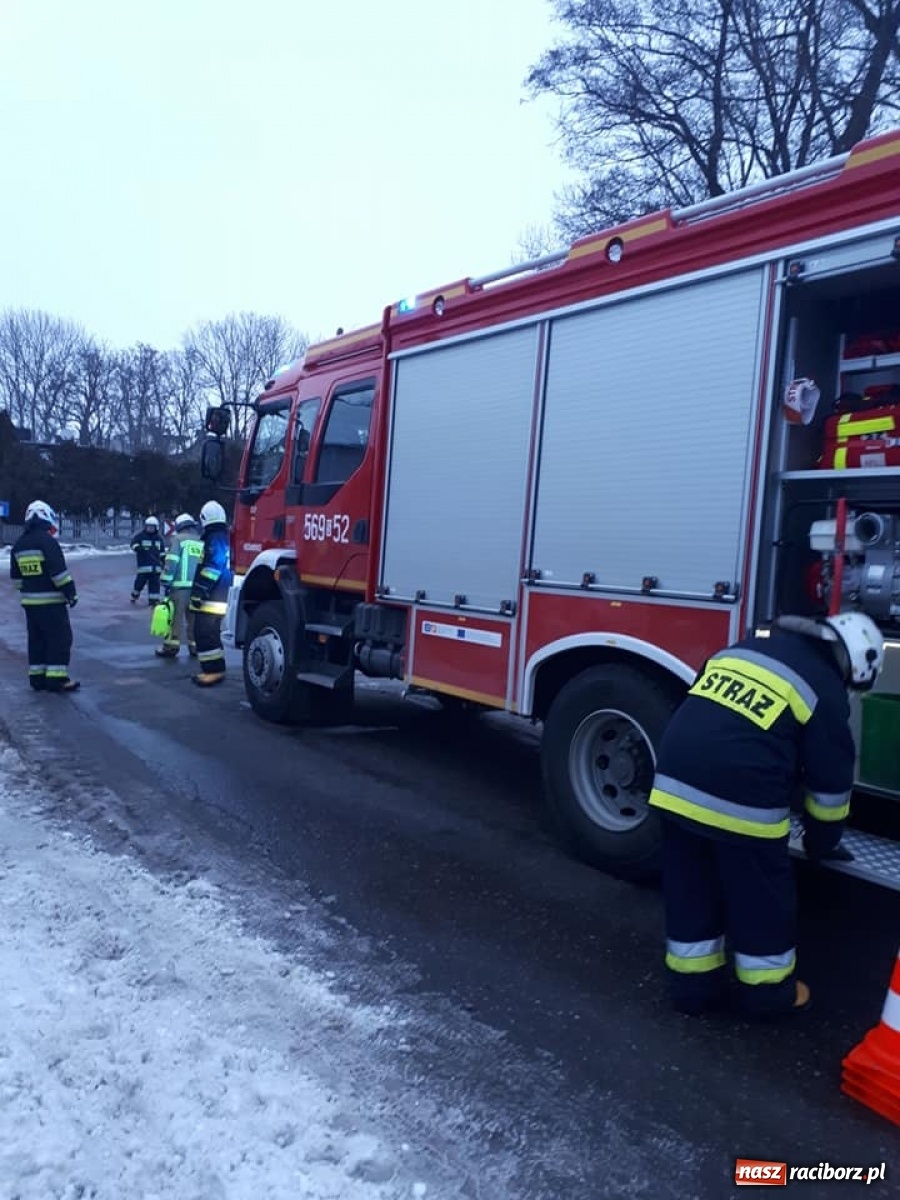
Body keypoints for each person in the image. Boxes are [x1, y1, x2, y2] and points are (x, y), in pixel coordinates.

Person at [649, 610, 885, 1018]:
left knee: (691, 886)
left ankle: (692, 989)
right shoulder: (824, 686)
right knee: (761, 895)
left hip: (672, 784)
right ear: (856, 665)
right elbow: (830, 786)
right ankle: (769, 994)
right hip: (741, 799)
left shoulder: (744, 649)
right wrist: (821, 845)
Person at [9, 500, 80, 693]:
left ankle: (37, 678)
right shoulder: (48, 542)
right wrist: (71, 594)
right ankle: (57, 680)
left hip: (30, 604)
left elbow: (16, 580)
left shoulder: (19, 544)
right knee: (60, 639)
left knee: (37, 640)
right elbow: (59, 574)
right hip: (52, 603)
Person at [189, 500, 233, 687]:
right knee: (210, 632)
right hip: (220, 592)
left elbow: (212, 567)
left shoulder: (213, 538)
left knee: (205, 632)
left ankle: (213, 671)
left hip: (213, 594)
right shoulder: (223, 535)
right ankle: (215, 668)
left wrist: (199, 591)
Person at [155, 513, 204, 659]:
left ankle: (171, 647)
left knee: (174, 619)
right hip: (196, 588)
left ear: (179, 526)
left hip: (179, 588)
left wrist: (165, 580)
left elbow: (172, 563)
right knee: (193, 620)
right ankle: (195, 647)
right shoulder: (200, 541)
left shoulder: (178, 540)